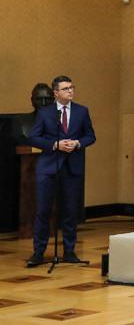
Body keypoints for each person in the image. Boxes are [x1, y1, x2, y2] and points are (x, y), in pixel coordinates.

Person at [26, 75, 96, 267]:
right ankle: (38, 252)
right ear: (55, 93)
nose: (70, 91)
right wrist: (55, 144)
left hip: (72, 167)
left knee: (70, 210)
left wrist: (78, 143)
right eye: (65, 89)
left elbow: (91, 136)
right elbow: (33, 138)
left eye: (71, 87)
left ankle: (70, 251)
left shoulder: (82, 111)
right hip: (48, 167)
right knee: (43, 210)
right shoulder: (45, 113)